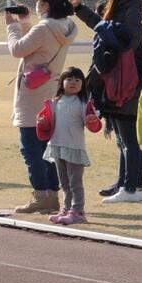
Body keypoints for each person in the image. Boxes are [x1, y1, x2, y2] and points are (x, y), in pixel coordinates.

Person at [69, 0, 142, 203]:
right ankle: (126, 182)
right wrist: (80, 9)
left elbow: (127, 41)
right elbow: (105, 29)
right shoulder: (120, 6)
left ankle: (134, 187)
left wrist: (104, 26)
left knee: (128, 138)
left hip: (128, 81)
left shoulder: (133, 9)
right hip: (112, 79)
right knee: (122, 138)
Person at [7, 0, 78, 214]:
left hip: (33, 95)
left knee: (30, 148)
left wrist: (13, 27)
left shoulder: (44, 28)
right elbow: (35, 46)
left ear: (45, 4)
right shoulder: (66, 25)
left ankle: (41, 195)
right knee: (47, 147)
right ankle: (53, 196)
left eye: (39, 1)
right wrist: (26, 22)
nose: (36, 4)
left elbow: (18, 49)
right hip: (51, 91)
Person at [38, 67, 101, 225]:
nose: (73, 82)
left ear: (83, 84)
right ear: (62, 83)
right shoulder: (54, 102)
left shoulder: (82, 103)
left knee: (75, 183)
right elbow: (48, 123)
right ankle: (66, 209)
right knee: (64, 183)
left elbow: (91, 123)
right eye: (69, 79)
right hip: (57, 146)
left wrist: (92, 119)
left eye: (77, 80)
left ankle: (78, 211)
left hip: (74, 148)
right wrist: (43, 122)